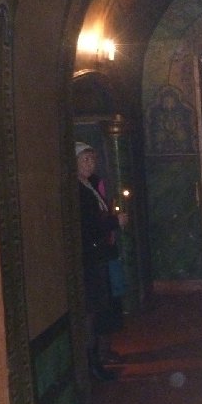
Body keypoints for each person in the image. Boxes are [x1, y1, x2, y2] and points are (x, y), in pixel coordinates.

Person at [76, 142, 127, 382]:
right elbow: (89, 225)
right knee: (91, 311)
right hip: (89, 258)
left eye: (92, 159)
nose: (90, 164)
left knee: (100, 308)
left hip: (99, 256)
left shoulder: (90, 185)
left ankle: (98, 357)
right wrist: (114, 222)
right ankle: (91, 362)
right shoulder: (79, 190)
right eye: (85, 160)